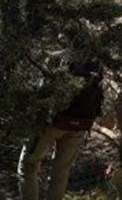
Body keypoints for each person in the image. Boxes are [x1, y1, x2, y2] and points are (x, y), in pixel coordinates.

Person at [19, 61, 104, 200]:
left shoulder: (63, 49)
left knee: (28, 165)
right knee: (61, 171)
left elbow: (44, 87)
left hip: (53, 122)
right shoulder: (95, 56)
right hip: (80, 124)